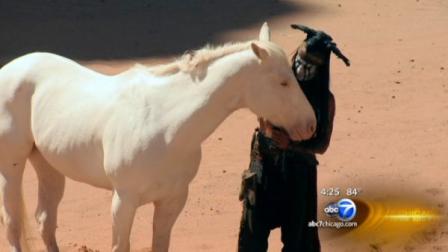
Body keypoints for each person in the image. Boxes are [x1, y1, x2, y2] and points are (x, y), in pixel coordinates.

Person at [238, 24, 350, 252]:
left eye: (309, 64)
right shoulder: (280, 83)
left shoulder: (325, 101)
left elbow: (322, 145)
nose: (300, 67)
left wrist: (292, 145)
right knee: (253, 234)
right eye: (299, 59)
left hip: (298, 174)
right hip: (264, 164)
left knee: (298, 242)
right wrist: (266, 127)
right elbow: (259, 108)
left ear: (320, 68)